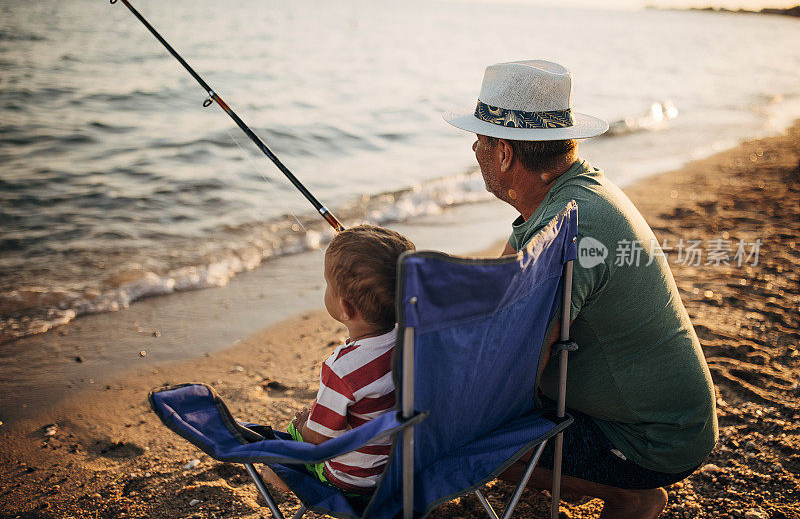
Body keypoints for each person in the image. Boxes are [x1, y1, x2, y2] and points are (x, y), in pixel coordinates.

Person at [443, 60, 718, 518]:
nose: (474, 147)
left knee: (455, 433)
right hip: (656, 417)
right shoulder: (569, 195)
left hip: (653, 440)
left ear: (505, 153)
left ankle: (630, 495)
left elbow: (513, 360)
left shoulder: (570, 228)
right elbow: (498, 292)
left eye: (481, 138)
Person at [261, 225, 415, 496]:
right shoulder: (414, 340)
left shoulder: (342, 369)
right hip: (403, 466)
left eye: (328, 285)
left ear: (345, 309)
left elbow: (320, 440)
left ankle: (283, 477)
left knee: (289, 437)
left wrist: (303, 425)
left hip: (355, 481)